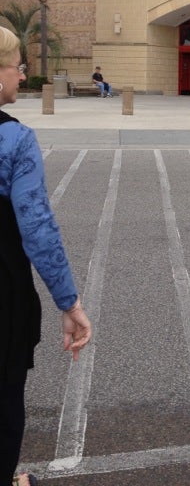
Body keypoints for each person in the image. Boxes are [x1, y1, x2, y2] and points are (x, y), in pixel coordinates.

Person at [0, 27, 92, 486]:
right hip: (3, 297)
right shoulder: (14, 140)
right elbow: (37, 228)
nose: (22, 75)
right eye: (17, 66)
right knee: (3, 400)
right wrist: (69, 303)